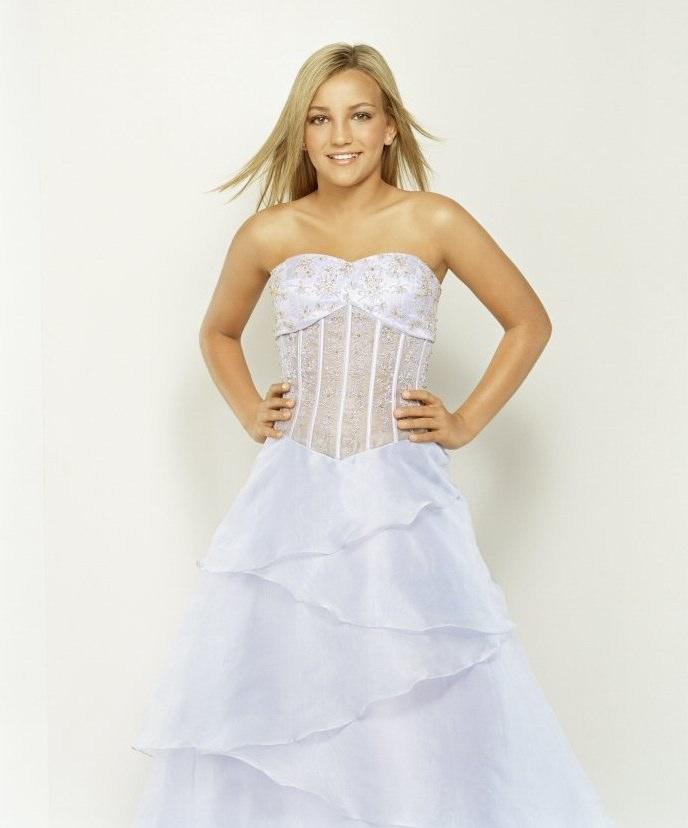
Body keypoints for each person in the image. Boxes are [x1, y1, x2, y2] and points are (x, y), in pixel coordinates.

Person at [130, 42, 616, 826]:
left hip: (400, 493)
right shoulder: (270, 233)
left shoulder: (434, 220)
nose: (341, 135)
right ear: (301, 133)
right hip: (292, 490)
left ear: (390, 125)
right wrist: (250, 409)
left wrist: (465, 420)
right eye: (320, 119)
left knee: (404, 668)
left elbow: (528, 321)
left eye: (359, 115)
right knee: (284, 666)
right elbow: (218, 332)